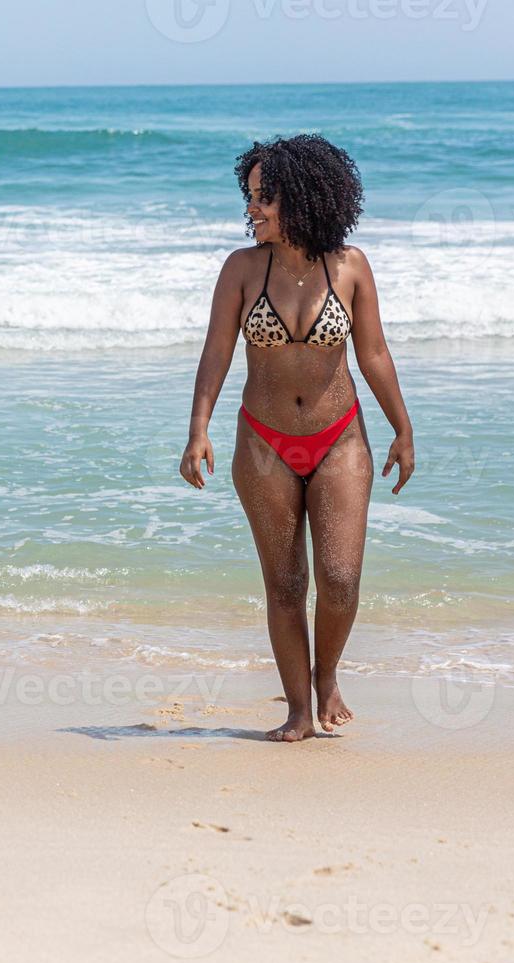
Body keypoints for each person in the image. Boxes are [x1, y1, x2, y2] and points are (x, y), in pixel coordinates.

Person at [180, 135, 415, 742]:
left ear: (304, 198)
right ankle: (297, 709)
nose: (252, 209)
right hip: (263, 443)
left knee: (339, 579)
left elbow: (374, 353)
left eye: (266, 197)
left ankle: (327, 675)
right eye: (250, 196)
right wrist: (198, 428)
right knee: (285, 584)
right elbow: (216, 353)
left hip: (341, 440)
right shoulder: (240, 269)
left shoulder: (351, 267)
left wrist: (402, 428)